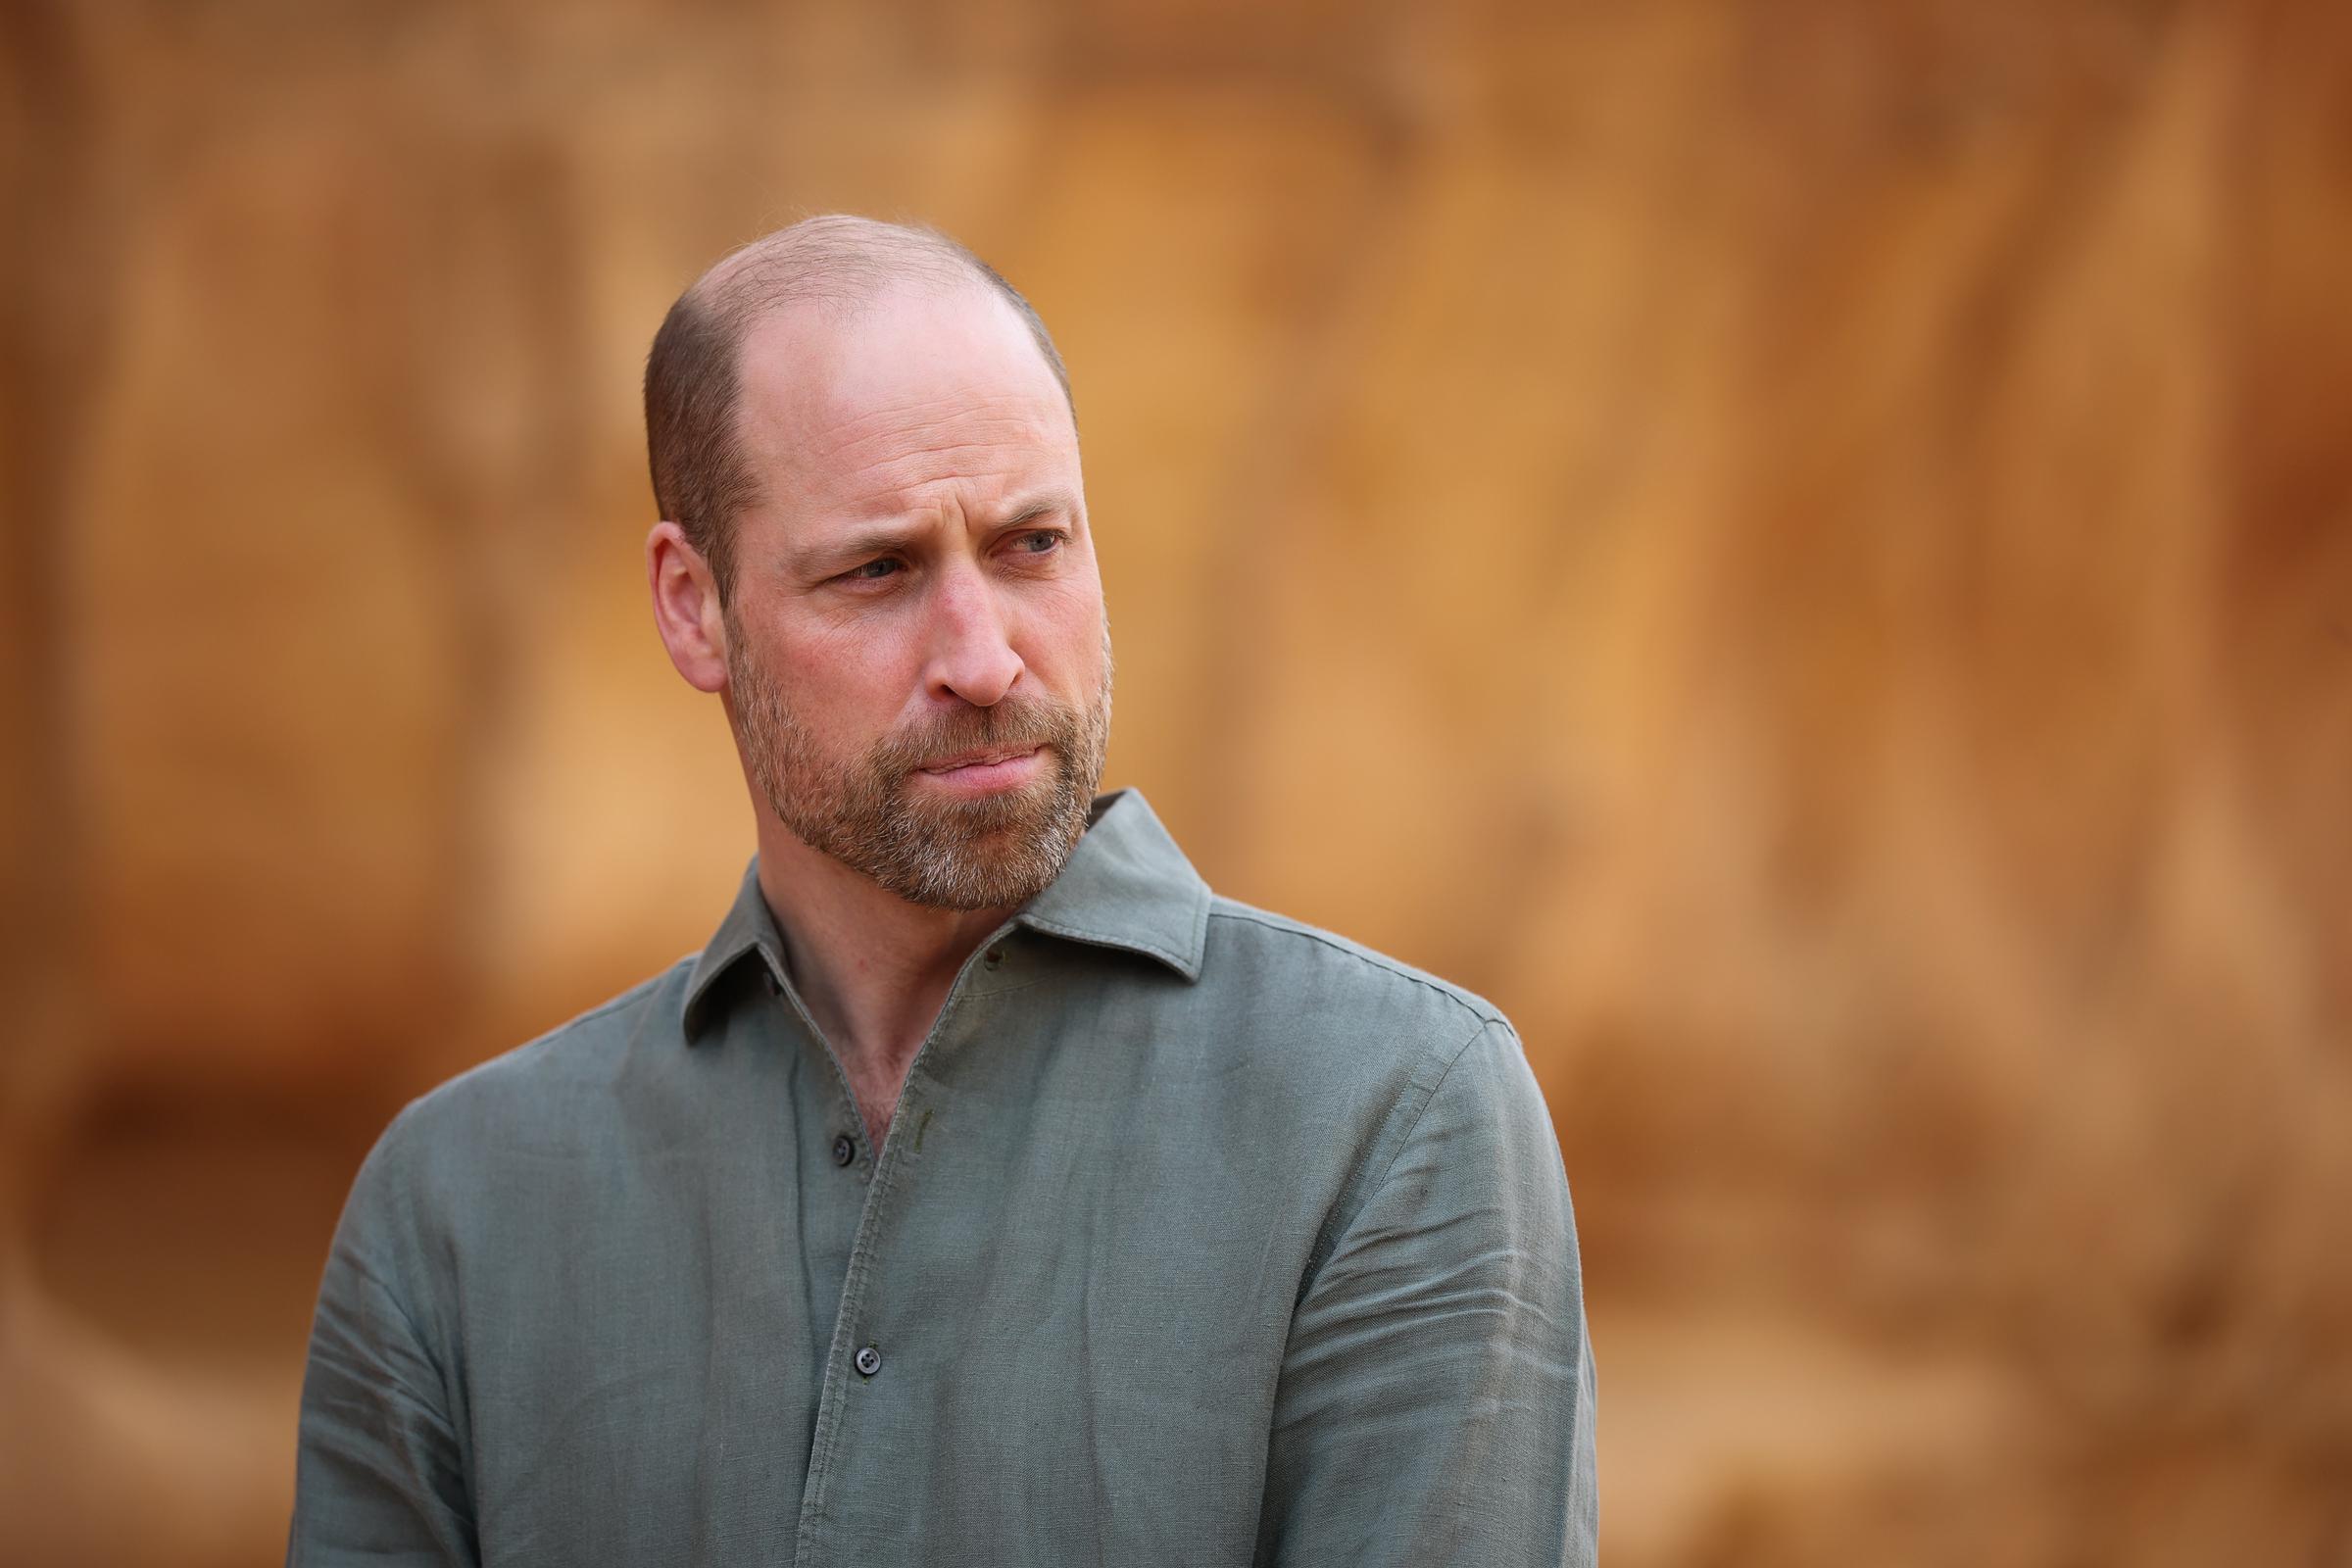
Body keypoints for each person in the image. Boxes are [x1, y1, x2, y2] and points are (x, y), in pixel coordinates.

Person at [287, 215, 1597, 1566]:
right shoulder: (455, 1209)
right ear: (694, 607)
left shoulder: (1397, 1113)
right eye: (879, 569)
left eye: (1033, 545)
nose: (985, 659)